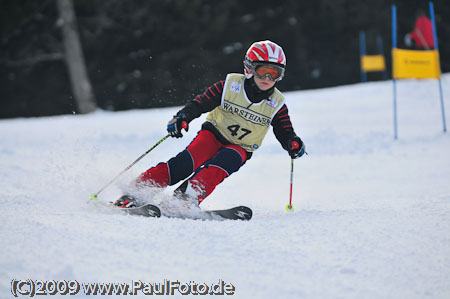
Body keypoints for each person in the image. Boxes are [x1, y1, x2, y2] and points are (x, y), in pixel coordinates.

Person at [115, 40, 306, 208]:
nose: (268, 79)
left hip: (241, 147)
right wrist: (183, 117)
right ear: (249, 68)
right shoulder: (230, 86)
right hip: (213, 135)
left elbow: (284, 130)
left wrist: (292, 142)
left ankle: (184, 199)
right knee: (184, 164)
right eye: (263, 71)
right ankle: (137, 191)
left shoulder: (277, 103)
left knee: (218, 169)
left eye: (275, 74)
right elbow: (200, 103)